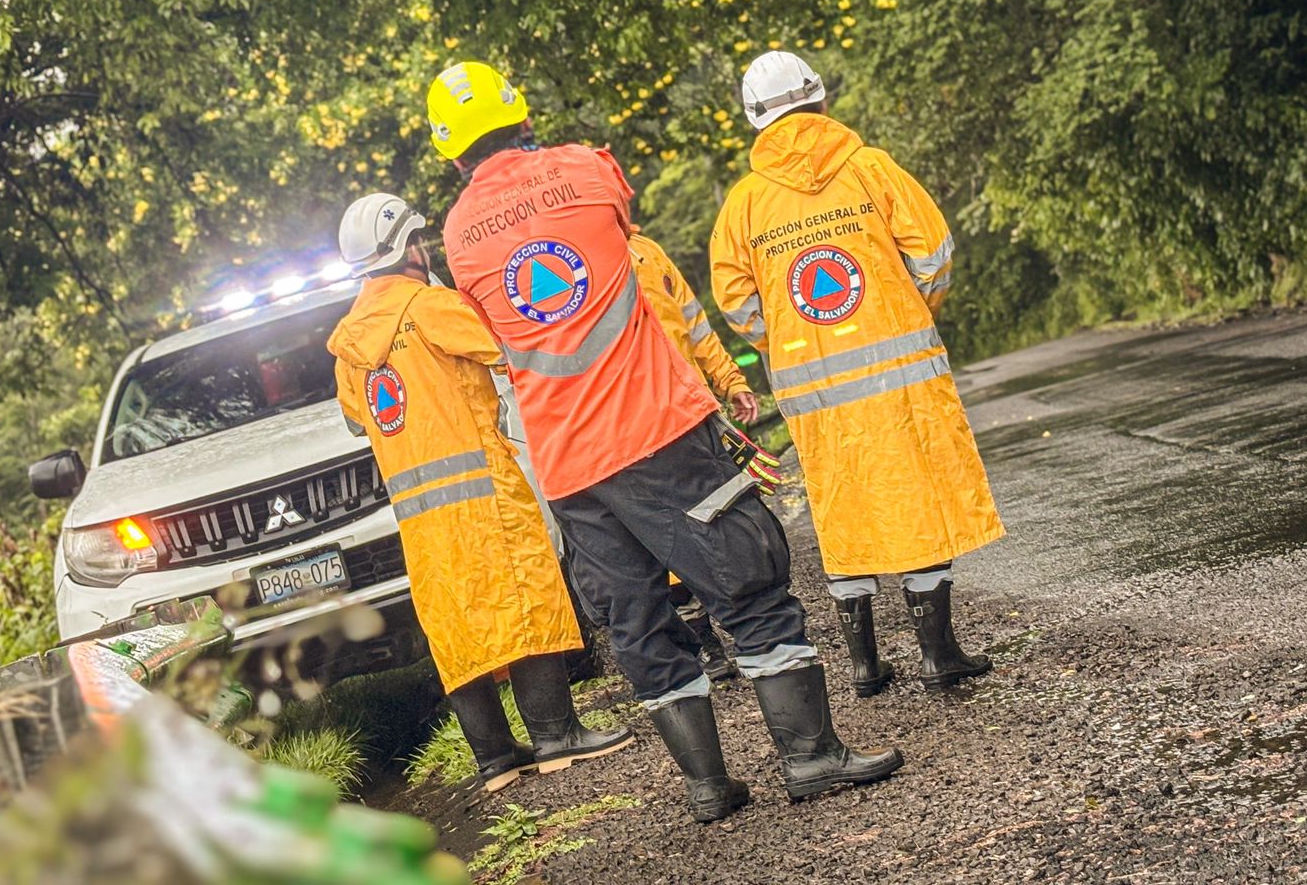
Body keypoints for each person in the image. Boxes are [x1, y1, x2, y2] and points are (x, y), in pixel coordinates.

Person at [429, 61, 903, 822]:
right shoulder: (589, 169)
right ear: (523, 117)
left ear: (453, 156)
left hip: (568, 468)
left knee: (638, 622)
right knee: (748, 580)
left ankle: (709, 787)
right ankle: (811, 756)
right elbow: (623, 233)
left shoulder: (456, 235)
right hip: (657, 430)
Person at [708, 50, 1005, 697]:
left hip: (813, 392)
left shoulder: (746, 204)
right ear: (819, 98)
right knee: (917, 496)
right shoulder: (871, 169)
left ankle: (866, 668)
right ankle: (938, 656)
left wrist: (786, 339)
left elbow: (734, 300)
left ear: (756, 121)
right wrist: (910, 310)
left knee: (841, 509)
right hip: (900, 373)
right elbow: (934, 253)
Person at [328, 192, 632, 792]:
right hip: (483, 491)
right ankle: (556, 735)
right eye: (420, 240)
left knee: (456, 621)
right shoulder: (430, 306)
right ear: (409, 248)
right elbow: (508, 350)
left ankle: (494, 758)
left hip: (420, 518)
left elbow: (358, 420)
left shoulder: (345, 347)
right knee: (527, 594)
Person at [627, 228, 755, 682]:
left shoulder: (649, 251)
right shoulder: (586, 263)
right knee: (672, 538)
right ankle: (709, 645)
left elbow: (695, 326)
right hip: (639, 427)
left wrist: (730, 380)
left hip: (693, 414)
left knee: (722, 523)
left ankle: (747, 630)